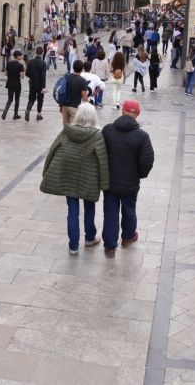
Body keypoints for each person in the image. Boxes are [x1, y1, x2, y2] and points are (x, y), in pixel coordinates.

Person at [40, 103, 109, 254]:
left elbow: (52, 152)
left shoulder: (66, 132)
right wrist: (105, 184)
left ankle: (73, 247)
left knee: (72, 211)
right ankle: (90, 238)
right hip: (89, 179)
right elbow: (103, 161)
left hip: (68, 177)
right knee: (89, 208)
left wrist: (46, 172)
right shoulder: (97, 135)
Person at [101, 100, 155, 257]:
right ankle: (128, 237)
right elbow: (147, 160)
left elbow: (100, 153)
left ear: (122, 111)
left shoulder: (108, 130)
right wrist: (140, 174)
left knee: (110, 212)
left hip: (110, 182)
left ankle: (110, 247)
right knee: (129, 209)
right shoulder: (142, 136)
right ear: (137, 114)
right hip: (130, 182)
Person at [60, 60, 92, 126]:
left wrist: (61, 105)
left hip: (64, 106)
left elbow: (62, 91)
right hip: (74, 108)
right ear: (82, 69)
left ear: (73, 67)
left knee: (66, 128)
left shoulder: (67, 77)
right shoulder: (82, 81)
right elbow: (85, 99)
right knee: (74, 128)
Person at [24, 46, 47, 122]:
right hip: (40, 85)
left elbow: (27, 74)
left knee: (31, 98)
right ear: (42, 53)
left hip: (32, 83)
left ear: (36, 52)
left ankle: (28, 110)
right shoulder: (43, 63)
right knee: (40, 99)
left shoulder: (30, 62)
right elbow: (43, 76)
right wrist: (43, 86)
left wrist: (32, 76)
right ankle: (39, 115)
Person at [2, 50, 25, 120]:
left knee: (10, 99)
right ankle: (15, 114)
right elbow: (22, 76)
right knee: (17, 99)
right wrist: (23, 72)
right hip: (17, 84)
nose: (21, 57)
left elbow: (6, 73)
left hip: (10, 83)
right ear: (17, 56)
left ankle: (5, 112)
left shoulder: (9, 63)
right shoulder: (20, 65)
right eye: (20, 56)